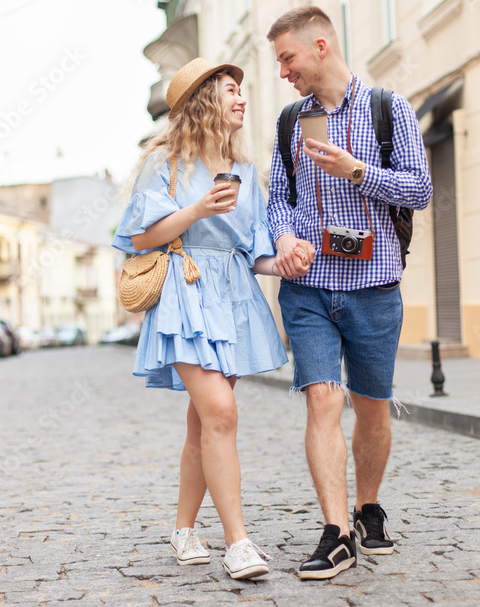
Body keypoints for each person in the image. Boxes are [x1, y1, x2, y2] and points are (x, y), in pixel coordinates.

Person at [113, 57, 315, 580]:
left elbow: (256, 253)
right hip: (184, 295)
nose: (242, 98)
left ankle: (183, 529)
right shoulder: (165, 164)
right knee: (222, 414)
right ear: (205, 100)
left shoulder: (245, 172)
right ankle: (238, 543)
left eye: (241, 91)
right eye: (231, 90)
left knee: (203, 424)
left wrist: (285, 261)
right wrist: (197, 210)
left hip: (232, 298)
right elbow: (139, 238)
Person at [266, 6, 433, 580]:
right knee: (322, 399)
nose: (283, 72)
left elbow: (420, 189)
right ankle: (337, 532)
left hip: (374, 285)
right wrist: (285, 236)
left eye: (287, 58)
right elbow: (277, 199)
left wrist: (358, 171)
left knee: (372, 405)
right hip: (308, 289)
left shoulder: (390, 110)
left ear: (319, 46)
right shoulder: (291, 121)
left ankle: (368, 506)